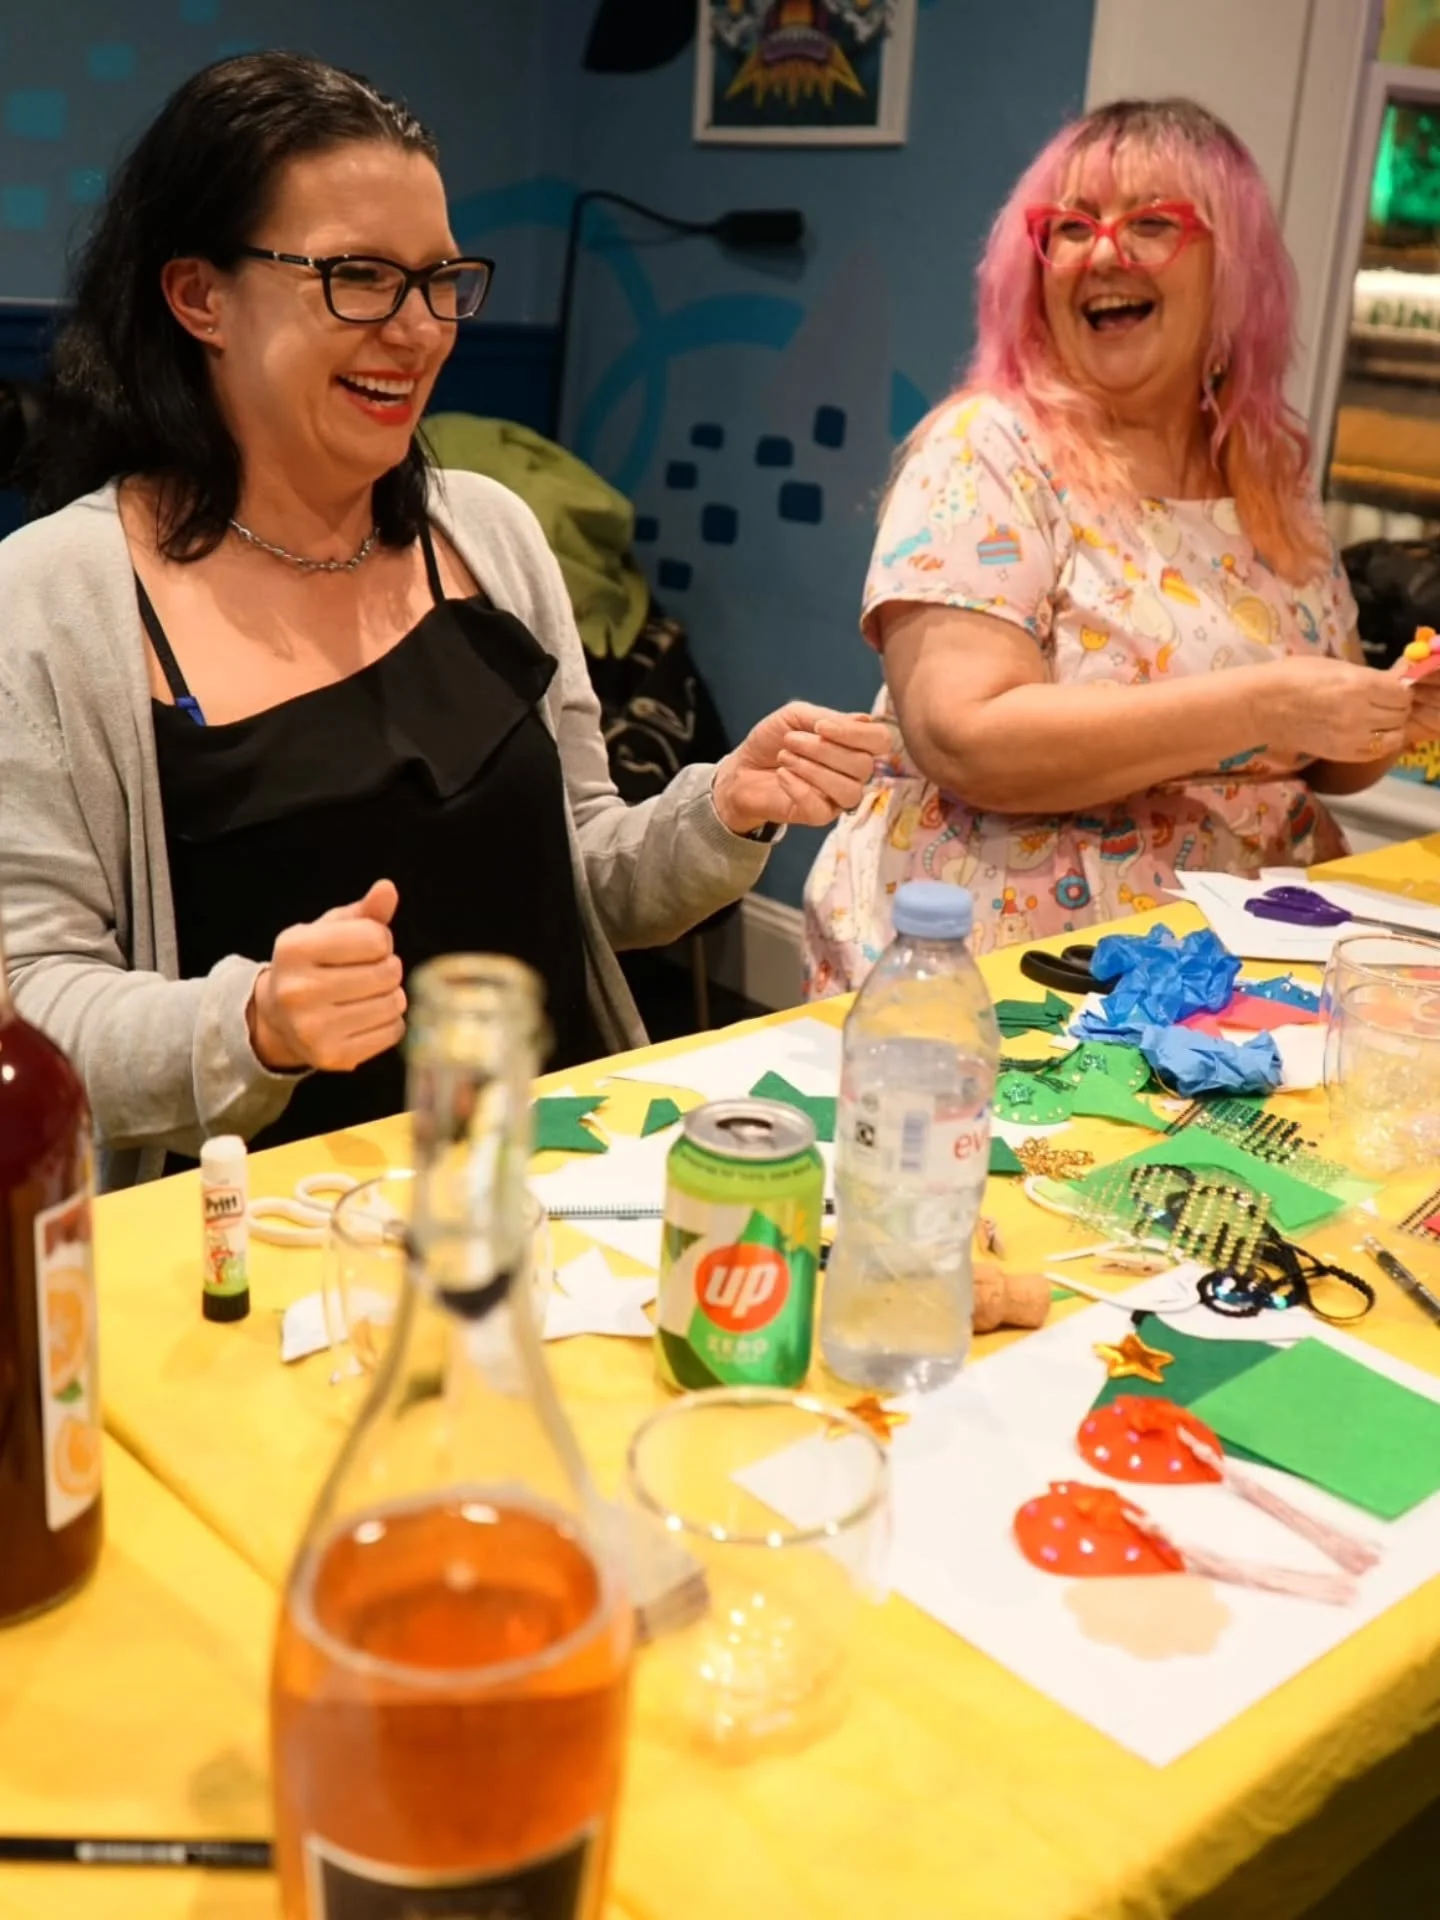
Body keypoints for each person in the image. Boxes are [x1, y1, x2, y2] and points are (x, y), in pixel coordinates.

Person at [0, 52, 889, 1187]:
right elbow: (34, 999)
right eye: (361, 277)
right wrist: (256, 1022)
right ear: (198, 297)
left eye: (440, 279)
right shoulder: (53, 599)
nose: (420, 330)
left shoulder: (489, 533)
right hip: (272, 1233)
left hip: (556, 1184)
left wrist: (723, 807)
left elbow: (585, 874)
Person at [804, 97, 1440, 993]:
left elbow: (1321, 761)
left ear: (1235, 271)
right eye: (1072, 227)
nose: (1104, 253)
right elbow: (964, 739)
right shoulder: (989, 448)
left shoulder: (1267, 475)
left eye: (1151, 223)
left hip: (1242, 971)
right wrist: (1264, 704)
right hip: (1016, 980)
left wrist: (1390, 717)